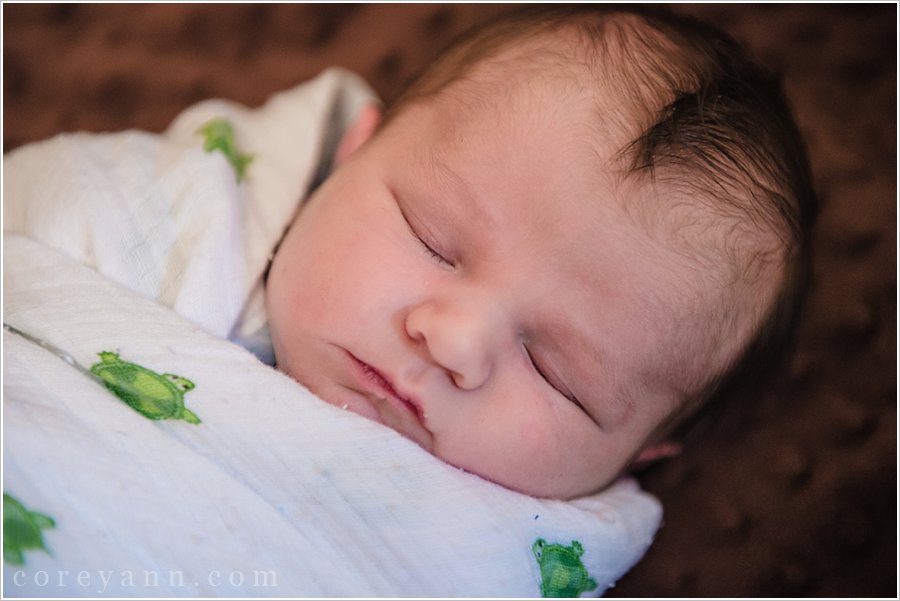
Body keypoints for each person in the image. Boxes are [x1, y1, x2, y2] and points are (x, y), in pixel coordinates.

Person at [263, 5, 817, 500]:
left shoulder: (540, 559)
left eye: (555, 374)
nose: (457, 341)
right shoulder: (198, 213)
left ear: (639, 455)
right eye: (430, 239)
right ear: (350, 154)